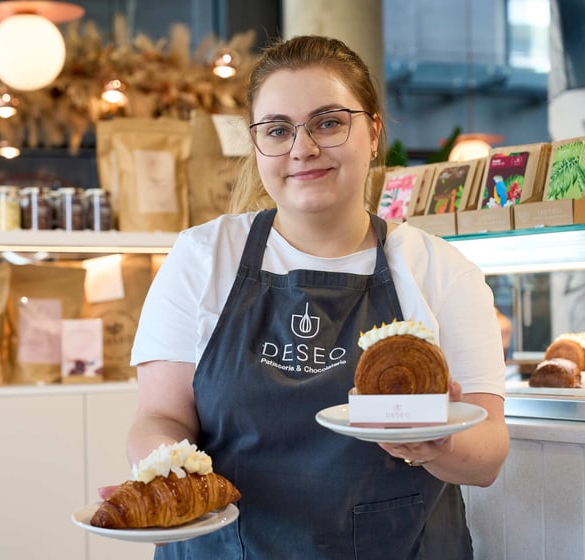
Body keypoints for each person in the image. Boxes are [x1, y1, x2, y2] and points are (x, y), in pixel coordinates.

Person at [125, 35, 510, 558]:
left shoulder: (441, 271)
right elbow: (161, 416)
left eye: (328, 122)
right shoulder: (202, 258)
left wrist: (432, 444)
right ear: (257, 143)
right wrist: (166, 472)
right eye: (278, 130)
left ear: (373, 131)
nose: (302, 148)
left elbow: (487, 456)